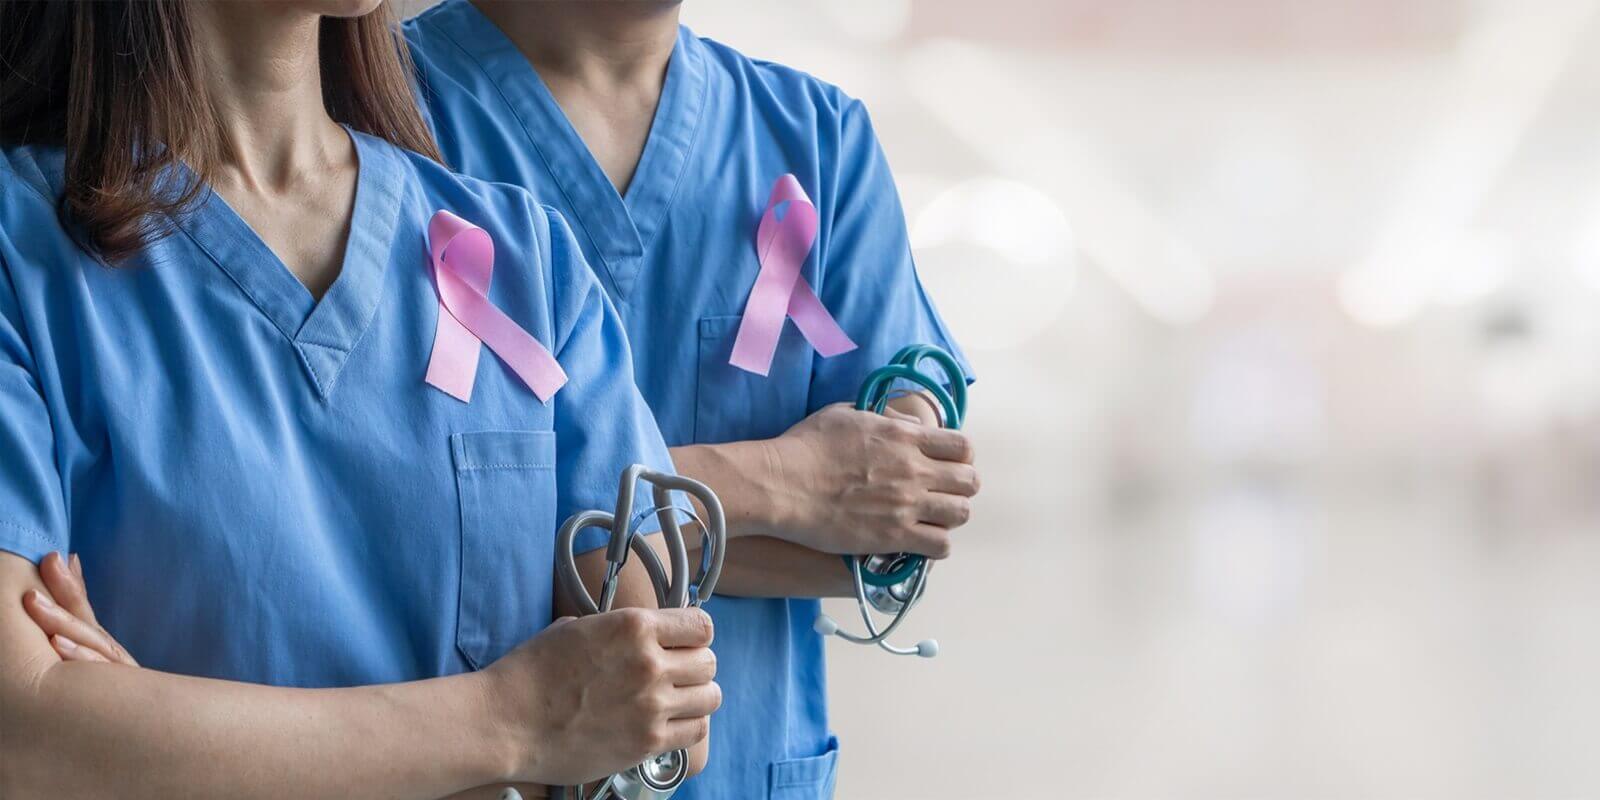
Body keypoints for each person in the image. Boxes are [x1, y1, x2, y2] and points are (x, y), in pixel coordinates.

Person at [0, 2, 717, 798]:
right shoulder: (19, 254)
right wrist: (513, 723)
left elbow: (653, 720)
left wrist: (160, 747)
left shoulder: (522, 252)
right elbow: (24, 727)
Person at [401, 3, 982, 797]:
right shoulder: (373, 114)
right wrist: (784, 482)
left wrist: (552, 525)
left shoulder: (818, 141)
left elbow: (892, 534)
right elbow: (394, 525)